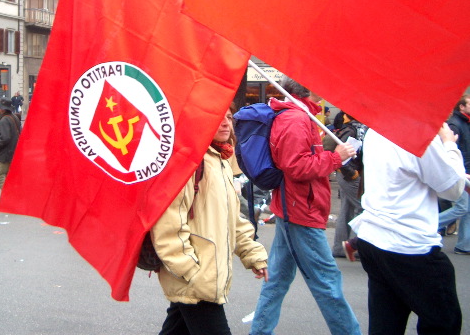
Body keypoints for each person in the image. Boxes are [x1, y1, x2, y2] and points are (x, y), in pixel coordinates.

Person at [250, 76, 360, 335]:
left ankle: (260, 331)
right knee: (327, 282)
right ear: (304, 90)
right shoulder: (296, 119)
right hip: (300, 209)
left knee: (277, 280)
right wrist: (336, 157)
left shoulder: (298, 116)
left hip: (294, 206)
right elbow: (297, 167)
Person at [151, 107, 268, 335]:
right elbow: (167, 223)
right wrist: (190, 270)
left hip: (201, 276)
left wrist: (252, 253)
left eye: (229, 118)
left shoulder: (220, 160)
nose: (226, 124)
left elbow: (233, 218)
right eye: (218, 117)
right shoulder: (186, 162)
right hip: (196, 277)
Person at [350, 125, 469, 334]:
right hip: (409, 245)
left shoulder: (377, 130)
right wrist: (449, 144)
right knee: (444, 321)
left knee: (386, 321)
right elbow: (452, 188)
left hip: (375, 238)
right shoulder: (417, 133)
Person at [323, 113, 366, 258]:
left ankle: (340, 247)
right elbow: (341, 154)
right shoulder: (353, 130)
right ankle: (356, 245)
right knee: (362, 208)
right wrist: (352, 173)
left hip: (348, 173)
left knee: (347, 209)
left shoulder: (351, 129)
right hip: (350, 174)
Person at [437, 94, 470, 255]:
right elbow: (448, 151)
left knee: (467, 208)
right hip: (458, 171)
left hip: (463, 170)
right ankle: (431, 224)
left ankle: (464, 245)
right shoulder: (453, 125)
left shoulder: (462, 123)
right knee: (463, 206)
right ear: (461, 107)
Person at [0, 98, 21, 189]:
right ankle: (11, 195)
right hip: (13, 151)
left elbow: (5, 138)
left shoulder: (5, 120)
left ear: (3, 109)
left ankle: (10, 194)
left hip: (5, 153)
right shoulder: (14, 117)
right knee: (9, 176)